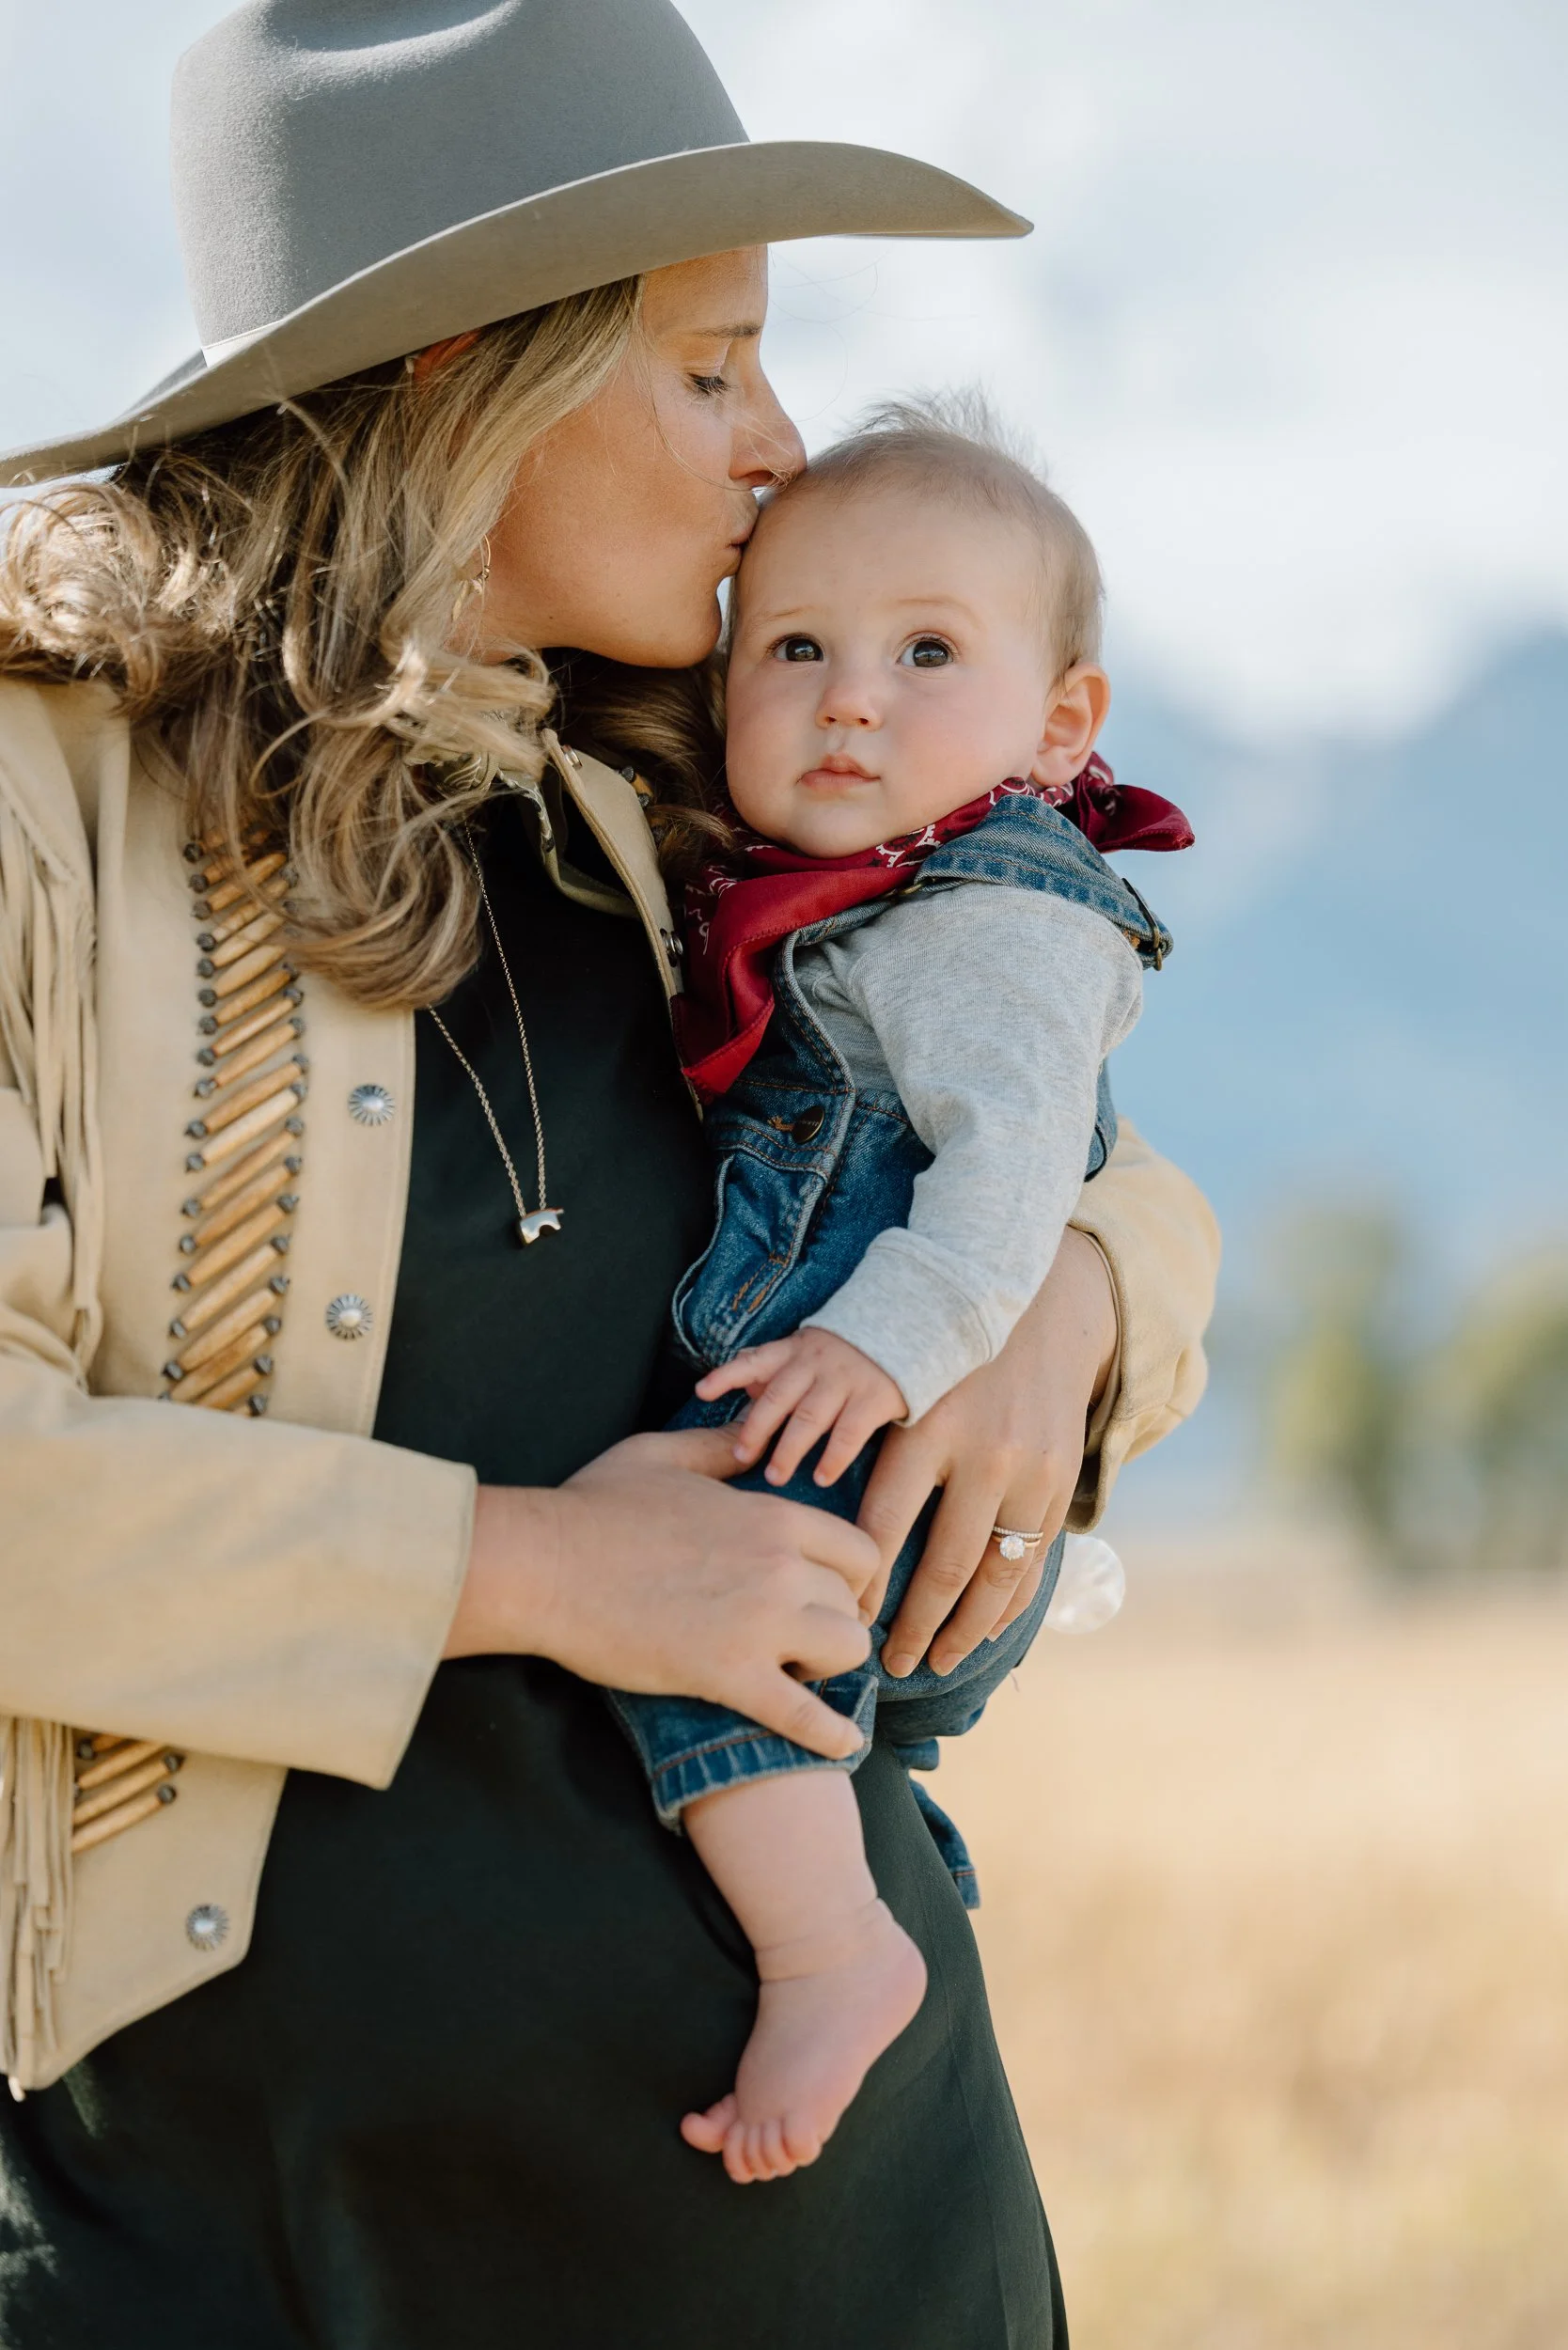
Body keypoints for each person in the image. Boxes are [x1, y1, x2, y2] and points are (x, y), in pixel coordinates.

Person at [0, 3, 1219, 2342]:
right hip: (225, 2236)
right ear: (477, 368)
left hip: (836, 2237)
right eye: (710, 370)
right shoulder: (56, 804)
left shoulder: (734, 797)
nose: (782, 453)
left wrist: (1063, 1310)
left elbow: (1104, 1155)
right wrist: (550, 1566)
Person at [610, 398, 1194, 2186]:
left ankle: (829, 1949)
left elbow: (1024, 1166)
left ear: (1060, 719)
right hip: (898, 1443)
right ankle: (888, 1870)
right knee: (838, 1716)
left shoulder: (986, 911)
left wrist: (904, 1337)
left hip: (873, 1419)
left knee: (716, 1634)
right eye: (794, 649)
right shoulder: (857, 888)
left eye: (925, 651)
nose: (849, 695)